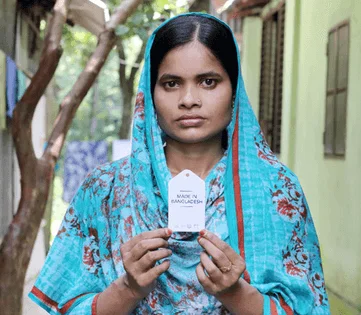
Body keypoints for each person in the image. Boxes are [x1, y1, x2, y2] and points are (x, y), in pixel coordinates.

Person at [29, 13, 329, 314]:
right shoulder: (106, 191)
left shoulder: (276, 190)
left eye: (208, 82)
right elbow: (68, 306)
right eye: (171, 84)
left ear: (234, 89)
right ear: (150, 92)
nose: (188, 99)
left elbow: (306, 307)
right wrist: (129, 288)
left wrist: (237, 294)